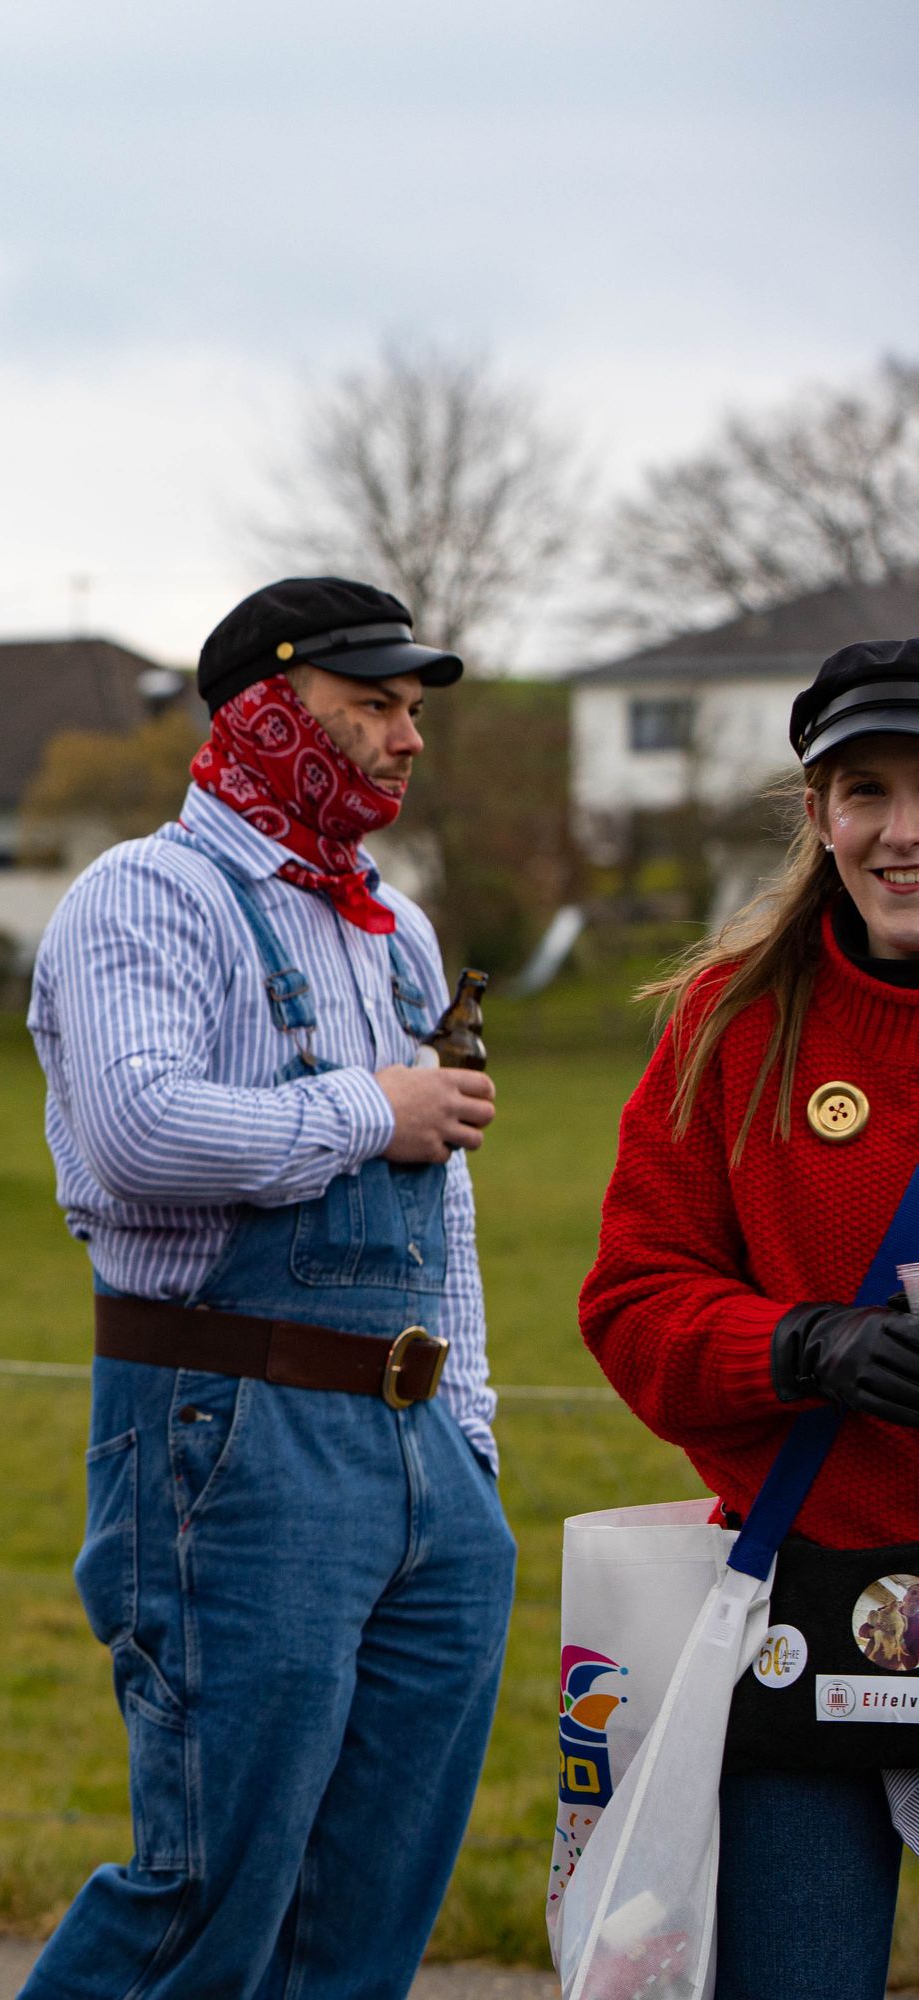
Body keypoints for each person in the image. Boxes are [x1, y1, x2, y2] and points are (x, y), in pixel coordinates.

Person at [19, 577, 515, 1998]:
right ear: (267, 710)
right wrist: (371, 1108)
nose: (407, 739)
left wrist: (467, 1440)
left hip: (419, 1453)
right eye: (374, 706)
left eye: (413, 710)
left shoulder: (395, 934)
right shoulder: (145, 898)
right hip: (228, 1431)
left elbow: (446, 1200)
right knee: (207, 1891)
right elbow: (136, 1133)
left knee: (365, 1911)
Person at [579, 637, 919, 1997]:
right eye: (868, 790)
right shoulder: (731, 1025)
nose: (904, 833)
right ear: (818, 811)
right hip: (799, 1627)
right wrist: (802, 1345)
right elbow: (632, 1305)